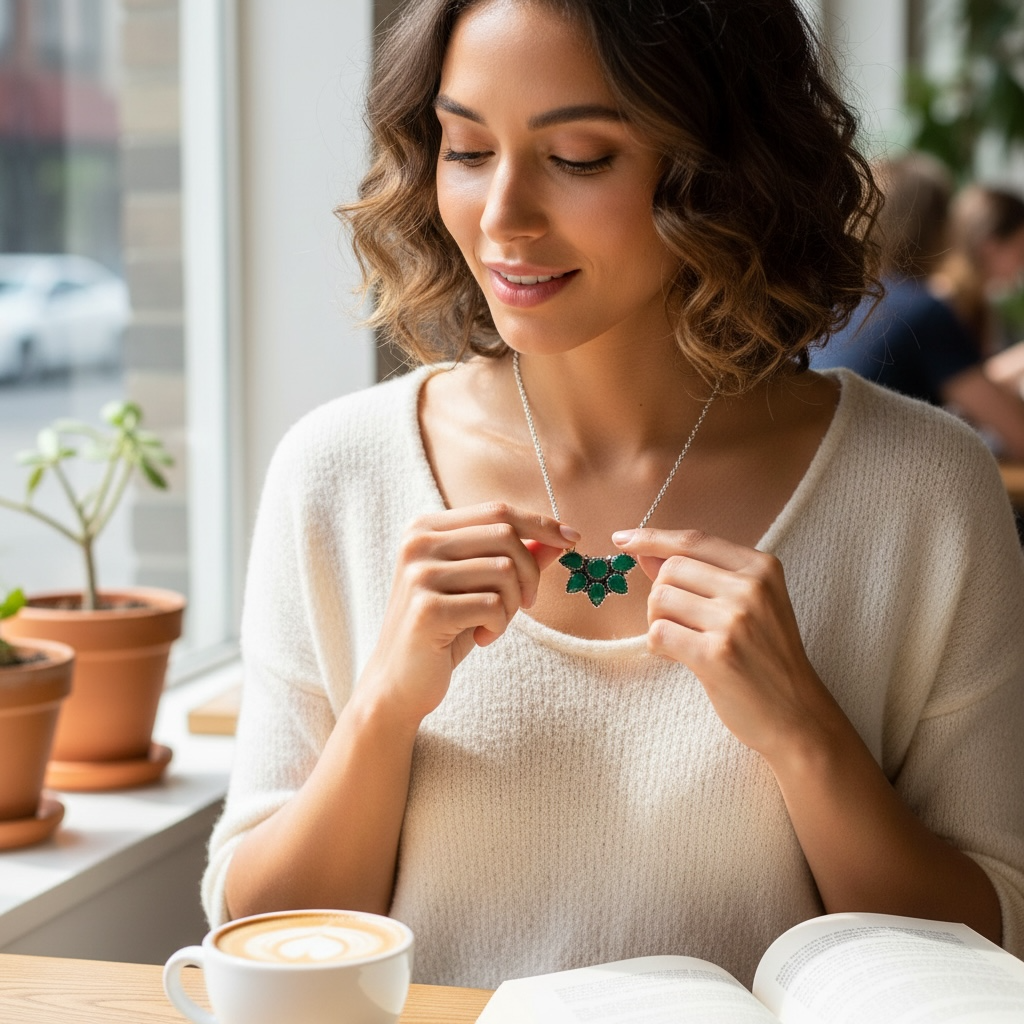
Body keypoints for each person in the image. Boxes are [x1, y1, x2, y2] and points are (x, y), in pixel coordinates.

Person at [201, 0, 1024, 991]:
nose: (501, 215)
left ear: (720, 170)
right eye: (464, 148)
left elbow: (988, 944)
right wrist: (383, 709)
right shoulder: (335, 472)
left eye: (578, 157)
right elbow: (260, 931)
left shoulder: (922, 490)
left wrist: (805, 734)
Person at [811, 154, 1024, 459]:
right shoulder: (924, 312)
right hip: (879, 491)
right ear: (937, 227)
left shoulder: (831, 307)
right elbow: (1018, 434)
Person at [934, 184, 1024, 396]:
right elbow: (965, 386)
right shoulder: (941, 302)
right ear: (990, 246)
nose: (1022, 264)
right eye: (1020, 250)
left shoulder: (979, 303)